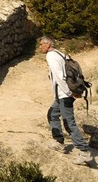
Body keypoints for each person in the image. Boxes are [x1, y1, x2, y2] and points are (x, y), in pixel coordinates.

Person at [40, 37, 94, 166]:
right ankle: (59, 142)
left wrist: (69, 93)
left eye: (41, 44)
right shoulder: (60, 54)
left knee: (69, 123)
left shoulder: (51, 56)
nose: (40, 47)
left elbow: (60, 77)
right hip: (63, 95)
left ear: (48, 45)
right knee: (52, 114)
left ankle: (84, 152)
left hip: (64, 95)